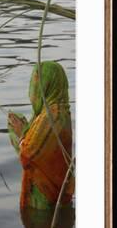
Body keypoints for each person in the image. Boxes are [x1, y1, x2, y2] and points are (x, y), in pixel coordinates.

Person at [8, 61, 74, 210]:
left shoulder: (52, 116)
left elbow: (28, 155)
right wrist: (26, 129)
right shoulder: (61, 111)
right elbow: (42, 147)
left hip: (45, 201)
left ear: (45, 85)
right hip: (58, 195)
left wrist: (19, 133)